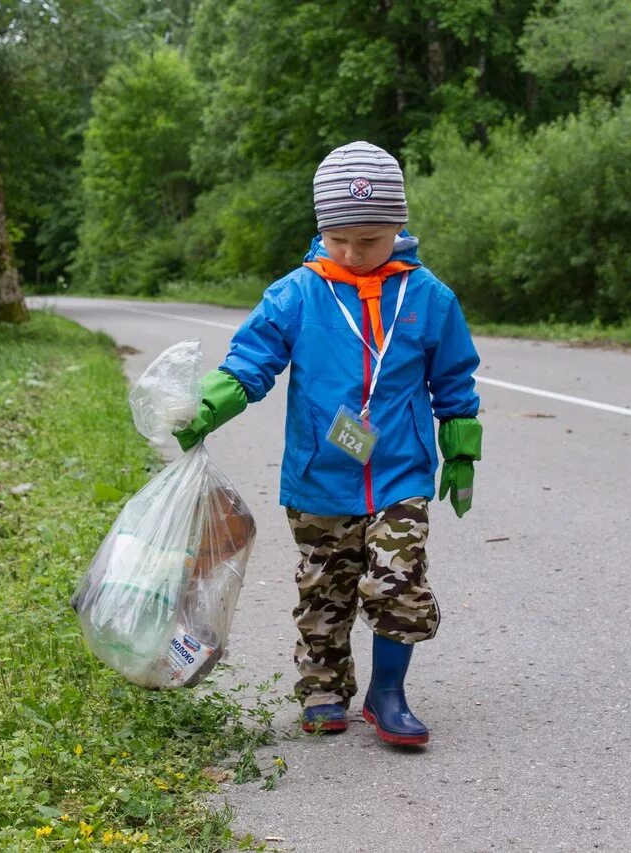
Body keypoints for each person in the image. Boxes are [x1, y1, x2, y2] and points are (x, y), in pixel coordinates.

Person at [173, 141, 482, 746]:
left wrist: (462, 448)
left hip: (401, 473)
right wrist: (205, 407)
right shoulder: (297, 294)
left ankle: (387, 695)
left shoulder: (429, 298)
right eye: (339, 238)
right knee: (325, 585)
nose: (352, 252)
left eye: (369, 240)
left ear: (399, 224)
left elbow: (453, 378)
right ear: (322, 228)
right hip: (320, 475)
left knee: (399, 579)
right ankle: (323, 686)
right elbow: (250, 363)